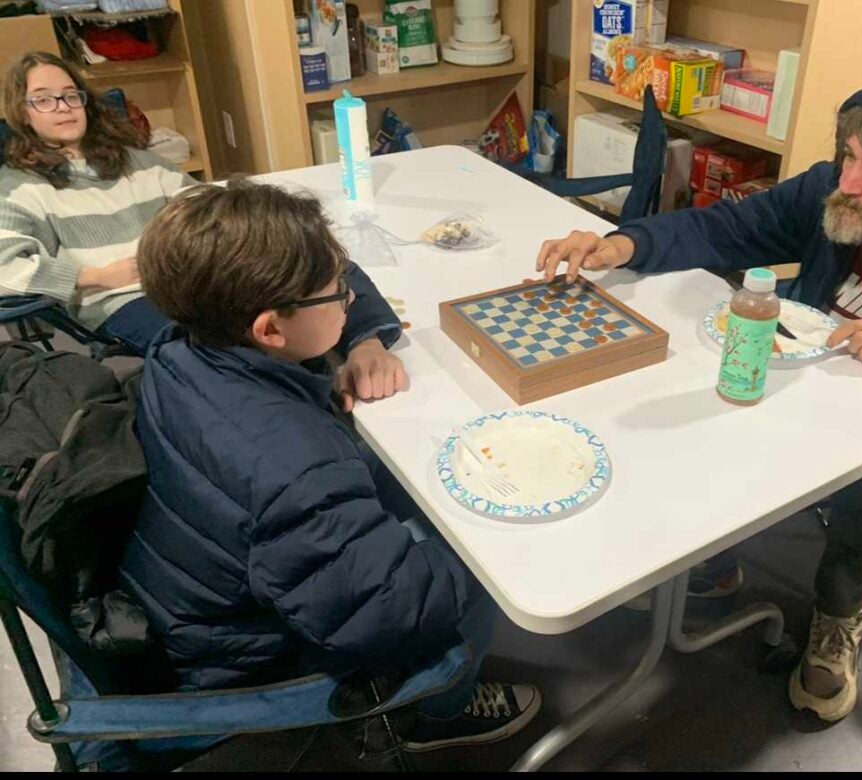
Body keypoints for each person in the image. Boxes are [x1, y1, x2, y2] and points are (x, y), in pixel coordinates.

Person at [534, 52, 862, 722]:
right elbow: (724, 228)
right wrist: (624, 244)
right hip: (807, 379)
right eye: (848, 154)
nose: (848, 181)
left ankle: (838, 615)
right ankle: (714, 557)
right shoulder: (832, 189)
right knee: (716, 365)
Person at [118, 181, 540, 752]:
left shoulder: (178, 348)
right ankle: (440, 713)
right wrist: (481, 544)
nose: (349, 298)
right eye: (337, 293)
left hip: (190, 597)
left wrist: (363, 336)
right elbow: (394, 614)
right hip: (242, 662)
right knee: (486, 573)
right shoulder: (293, 470)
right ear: (270, 329)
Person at [0, 51, 194, 354]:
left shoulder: (138, 160)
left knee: (272, 317)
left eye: (70, 96)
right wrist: (94, 277)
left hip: (188, 283)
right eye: (43, 99)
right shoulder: (19, 185)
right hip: (118, 299)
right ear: (23, 113)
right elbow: (4, 267)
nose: (63, 108)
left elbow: (204, 207)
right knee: (194, 347)